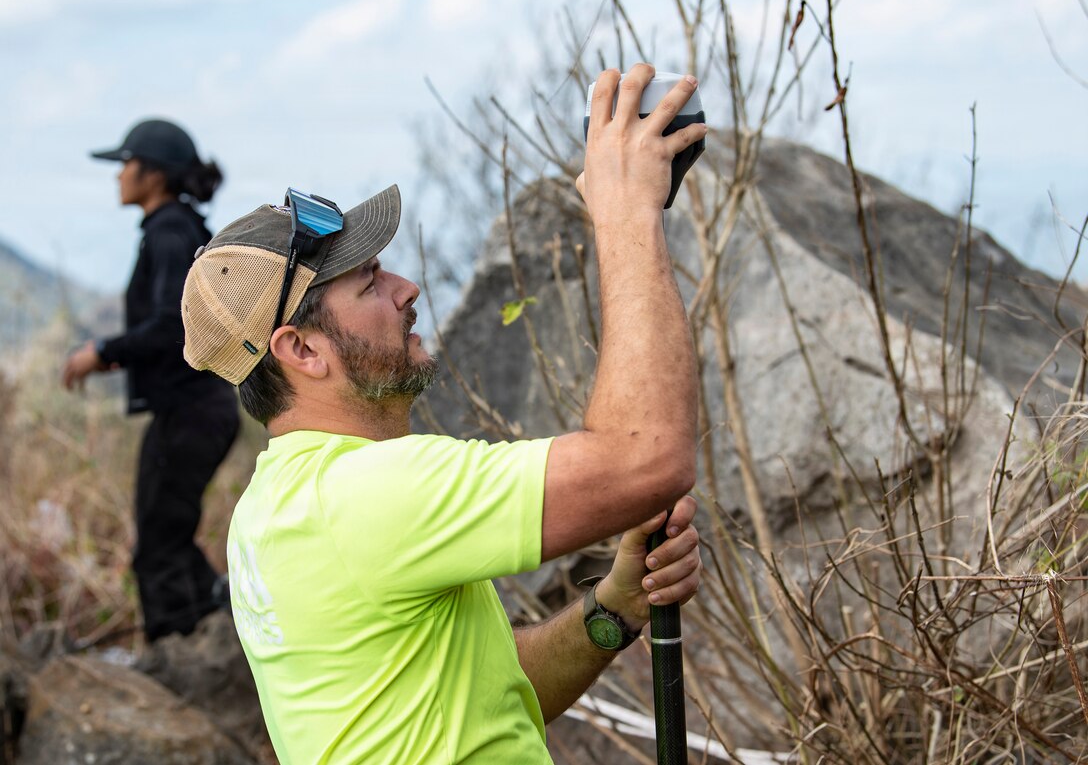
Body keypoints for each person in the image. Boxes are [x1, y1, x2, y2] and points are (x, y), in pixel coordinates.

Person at [180, 63, 706, 763]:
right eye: (369, 281)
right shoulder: (366, 495)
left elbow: (491, 692)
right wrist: (626, 212)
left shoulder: (273, 509)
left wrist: (614, 607)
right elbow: (648, 455)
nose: (407, 287)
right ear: (301, 348)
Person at [62, 118, 240, 643]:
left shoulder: (169, 231)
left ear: (153, 174)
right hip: (196, 408)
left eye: (125, 165)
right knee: (168, 535)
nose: (119, 176)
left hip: (191, 411)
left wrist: (101, 351)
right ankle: (222, 625)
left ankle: (175, 656)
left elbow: (171, 322)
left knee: (158, 545)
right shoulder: (181, 228)